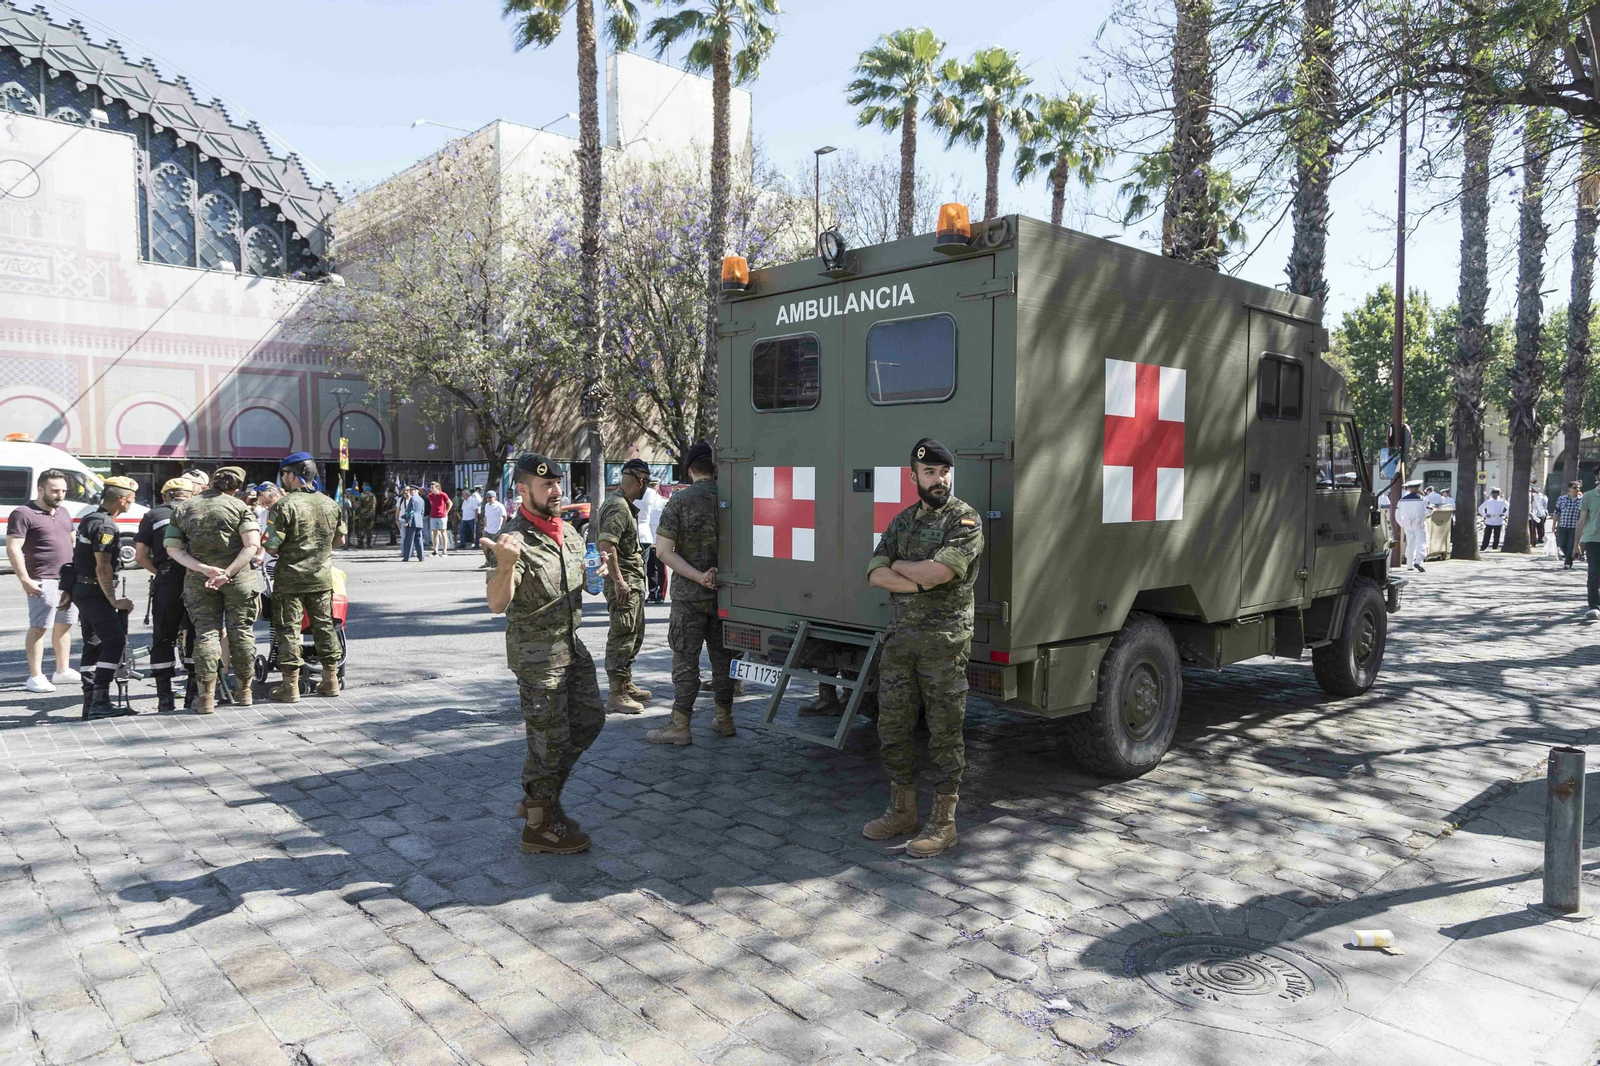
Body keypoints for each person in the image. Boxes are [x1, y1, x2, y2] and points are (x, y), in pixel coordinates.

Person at [861, 438, 985, 859]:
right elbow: (875, 573)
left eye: (944, 472)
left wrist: (906, 571)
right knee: (892, 728)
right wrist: (915, 579)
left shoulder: (964, 520)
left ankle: (944, 823)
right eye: (930, 473)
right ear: (913, 476)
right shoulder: (902, 523)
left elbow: (942, 571)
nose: (939, 480)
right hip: (901, 643)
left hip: (944, 646)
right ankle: (903, 811)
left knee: (944, 733)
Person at [482, 454, 603, 855]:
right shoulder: (511, 539)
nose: (556, 491)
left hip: (570, 644)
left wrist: (594, 574)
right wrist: (504, 566)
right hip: (537, 655)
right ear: (522, 489)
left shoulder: (567, 531)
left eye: (558, 484)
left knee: (588, 722)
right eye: (546, 485)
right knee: (548, 741)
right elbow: (497, 604)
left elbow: (577, 581)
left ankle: (542, 797)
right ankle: (539, 826)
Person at [647, 442, 735, 745]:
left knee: (686, 659)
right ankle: (725, 719)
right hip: (729, 594)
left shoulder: (680, 501)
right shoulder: (734, 497)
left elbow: (663, 551)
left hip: (689, 596)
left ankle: (680, 725)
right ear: (715, 467)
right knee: (724, 660)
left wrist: (699, 576)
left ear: (689, 468)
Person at [163, 466, 261, 712]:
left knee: (206, 634)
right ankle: (244, 691)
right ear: (236, 488)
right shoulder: (240, 507)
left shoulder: (185, 508)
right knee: (241, 632)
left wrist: (204, 569)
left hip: (200, 581)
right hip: (238, 580)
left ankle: (206, 696)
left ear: (210, 484)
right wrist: (227, 572)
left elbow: (173, 549)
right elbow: (251, 546)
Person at [264, 453, 346, 702]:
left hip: (290, 580)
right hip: (321, 578)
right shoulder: (331, 503)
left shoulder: (284, 505)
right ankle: (331, 681)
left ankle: (290, 687)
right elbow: (340, 541)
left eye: (284, 474)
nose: (283, 480)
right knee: (324, 626)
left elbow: (272, 547)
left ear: (292, 474)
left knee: (289, 629)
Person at [68, 476, 141, 718]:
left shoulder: (90, 518)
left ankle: (90, 702)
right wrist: (113, 600)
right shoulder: (106, 525)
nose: (132, 502)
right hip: (94, 592)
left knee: (95, 643)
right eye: (131, 499)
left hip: (84, 590)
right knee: (115, 641)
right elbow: (103, 566)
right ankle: (100, 701)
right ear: (121, 500)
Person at [6, 468, 79, 693]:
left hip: (66, 580)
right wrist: (25, 579)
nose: (60, 495)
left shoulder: (64, 512)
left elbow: (72, 541)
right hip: (40, 579)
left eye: (64, 490)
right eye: (55, 490)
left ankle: (62, 670)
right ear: (40, 489)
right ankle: (35, 676)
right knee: (39, 627)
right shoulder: (23, 513)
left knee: (65, 624)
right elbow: (13, 548)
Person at [596, 459, 653, 714]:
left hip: (631, 582)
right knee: (622, 635)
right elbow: (607, 546)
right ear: (640, 481)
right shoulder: (619, 507)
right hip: (625, 583)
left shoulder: (622, 505)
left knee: (634, 633)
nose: (646, 490)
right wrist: (619, 581)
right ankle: (616, 693)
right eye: (647, 484)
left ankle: (625, 682)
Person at [134, 476, 195, 712]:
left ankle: (165, 698)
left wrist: (160, 572)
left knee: (163, 637)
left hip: (167, 579)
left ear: (164, 496)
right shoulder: (198, 511)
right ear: (190, 494)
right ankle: (193, 694)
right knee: (196, 634)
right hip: (196, 578)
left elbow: (140, 556)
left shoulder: (152, 515)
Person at [638, 476, 667, 603]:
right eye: (651, 486)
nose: (653, 488)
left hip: (659, 538)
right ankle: (653, 593)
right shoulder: (642, 501)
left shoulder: (664, 502)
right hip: (647, 538)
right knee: (650, 569)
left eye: (654, 486)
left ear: (658, 486)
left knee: (661, 569)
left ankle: (661, 594)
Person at [1395, 479, 1430, 572]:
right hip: (1419, 523)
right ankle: (1418, 561)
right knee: (1422, 542)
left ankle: (1409, 564)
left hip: (1407, 524)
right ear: (1418, 487)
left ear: (1409, 489)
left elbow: (1397, 514)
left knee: (1410, 543)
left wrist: (1402, 523)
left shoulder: (1401, 500)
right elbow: (1428, 512)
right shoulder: (1423, 499)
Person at [1580, 483, 1600, 621]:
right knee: (1593, 572)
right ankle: (1594, 606)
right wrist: (1576, 543)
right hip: (1593, 539)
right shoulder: (1588, 496)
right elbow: (1582, 520)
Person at [1554, 481, 1585, 569]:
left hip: (1575, 527)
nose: (1577, 489)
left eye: (1578, 488)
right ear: (1569, 488)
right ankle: (1571, 555)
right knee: (1562, 544)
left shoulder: (1582, 500)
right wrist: (1554, 524)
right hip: (1563, 525)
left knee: (1572, 544)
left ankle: (1568, 562)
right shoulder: (1562, 499)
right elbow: (1557, 512)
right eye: (1574, 488)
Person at [480, 489, 507, 568]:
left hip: (497, 530)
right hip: (488, 529)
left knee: (495, 547)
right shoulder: (487, 505)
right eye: (487, 497)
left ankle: (496, 563)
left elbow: (504, 517)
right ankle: (488, 561)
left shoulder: (499, 506)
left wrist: (502, 528)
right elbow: (486, 516)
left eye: (490, 497)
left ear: (495, 497)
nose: (488, 499)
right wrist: (484, 526)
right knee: (484, 544)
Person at [400, 485, 427, 562]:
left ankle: (406, 557)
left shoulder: (412, 499)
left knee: (409, 540)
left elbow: (411, 511)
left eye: (411, 490)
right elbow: (422, 512)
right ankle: (421, 557)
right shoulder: (421, 500)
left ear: (415, 491)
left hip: (412, 522)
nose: (409, 492)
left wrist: (407, 522)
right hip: (419, 522)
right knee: (418, 540)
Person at [425, 480, 452, 557]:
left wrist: (446, 512)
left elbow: (450, 503)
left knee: (443, 532)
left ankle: (444, 551)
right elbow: (431, 504)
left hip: (442, 516)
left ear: (437, 488)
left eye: (433, 487)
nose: (431, 489)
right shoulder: (430, 496)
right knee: (434, 533)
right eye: (431, 487)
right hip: (433, 516)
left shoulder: (443, 495)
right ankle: (435, 551)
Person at [459, 486, 481, 551]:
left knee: (474, 531)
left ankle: (476, 544)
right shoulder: (464, 501)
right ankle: (462, 543)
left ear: (467, 494)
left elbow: (476, 509)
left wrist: (476, 517)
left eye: (463, 494)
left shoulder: (472, 500)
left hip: (472, 518)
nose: (462, 496)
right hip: (465, 518)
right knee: (462, 531)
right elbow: (463, 509)